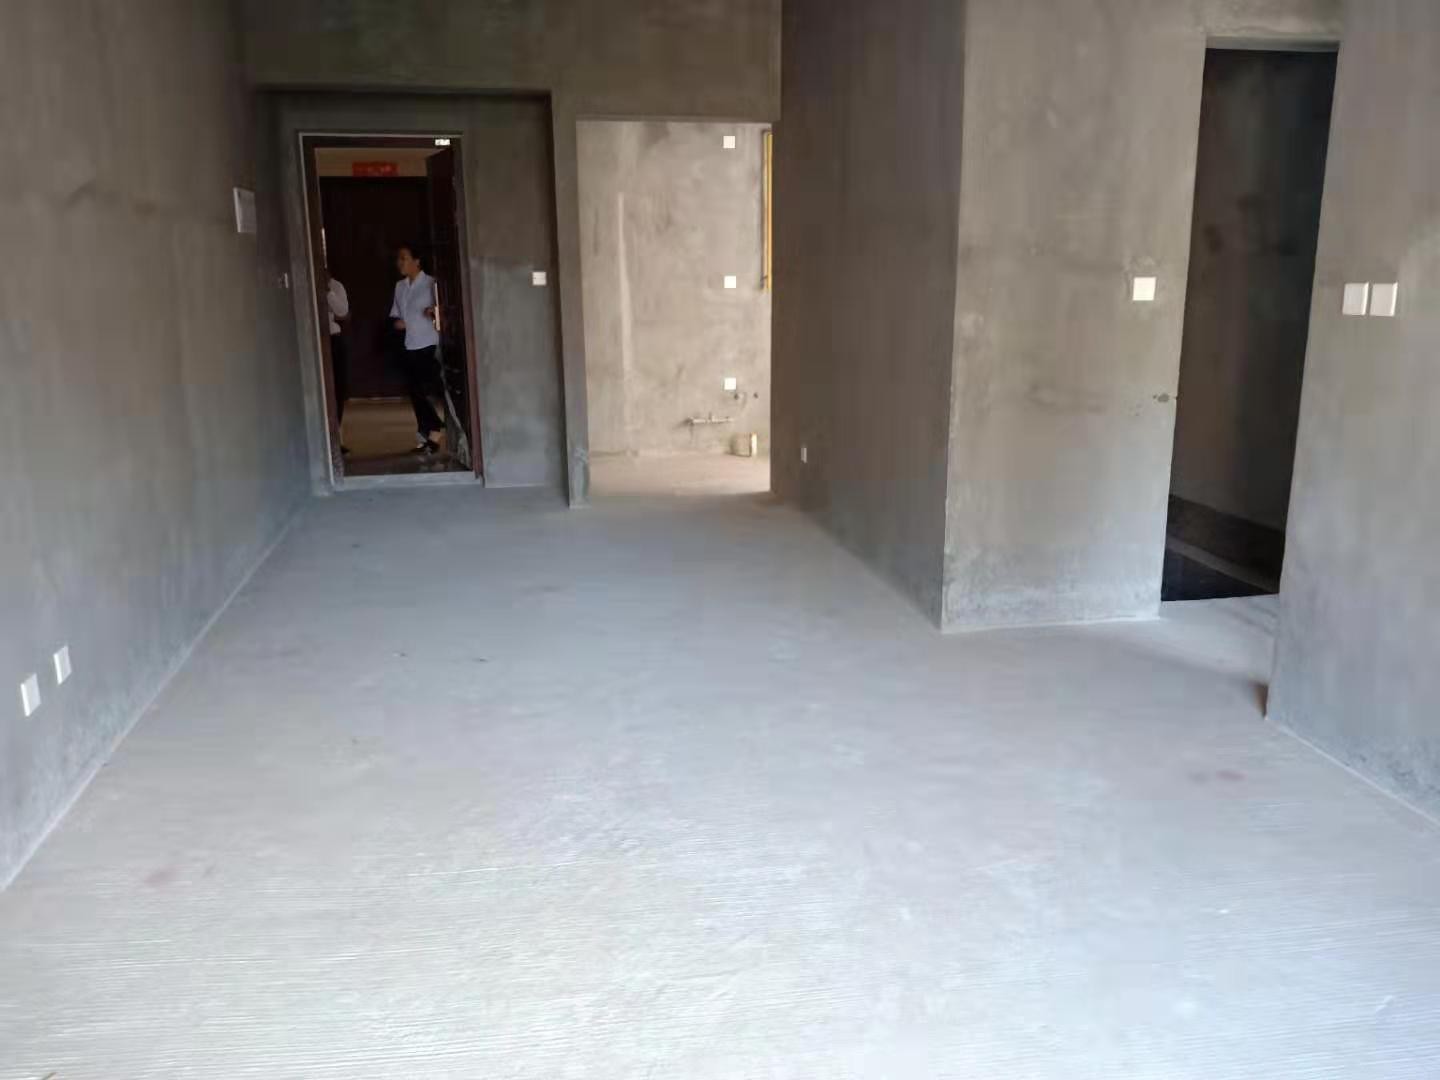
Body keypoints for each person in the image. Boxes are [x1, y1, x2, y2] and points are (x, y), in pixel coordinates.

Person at [389, 244, 444, 453]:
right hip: (409, 343)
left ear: (417, 261)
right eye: (398, 259)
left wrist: (434, 311)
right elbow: (396, 313)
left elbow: (443, 311)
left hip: (428, 341)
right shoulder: (399, 286)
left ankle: (434, 430)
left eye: (404, 258)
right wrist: (398, 323)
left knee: (423, 389)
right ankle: (427, 432)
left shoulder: (431, 283)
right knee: (414, 391)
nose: (400, 263)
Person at [325, 272, 351, 453]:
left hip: (333, 338)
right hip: (314, 338)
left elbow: (342, 311)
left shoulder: (335, 286)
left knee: (338, 388)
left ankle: (336, 434)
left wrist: (328, 292)